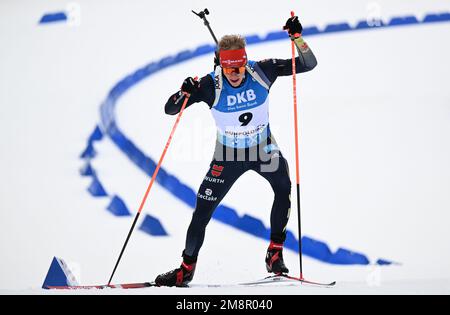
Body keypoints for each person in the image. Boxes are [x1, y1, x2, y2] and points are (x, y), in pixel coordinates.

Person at [155, 15, 317, 287]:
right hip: (228, 156)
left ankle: (274, 253)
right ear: (222, 66)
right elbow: (170, 109)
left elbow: (308, 64)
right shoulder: (209, 85)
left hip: (262, 149)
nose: (236, 74)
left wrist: (297, 38)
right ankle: (186, 268)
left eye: (239, 68)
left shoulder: (262, 71)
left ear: (245, 62)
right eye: (230, 69)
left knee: (283, 186)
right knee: (202, 210)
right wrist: (184, 93)